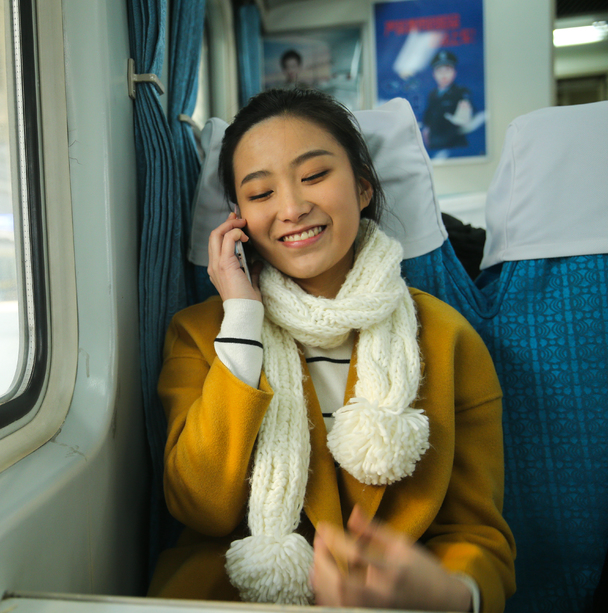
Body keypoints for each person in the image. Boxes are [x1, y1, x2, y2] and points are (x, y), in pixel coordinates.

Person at [147, 89, 515, 612]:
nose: (293, 208)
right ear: (238, 221)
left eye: (315, 176)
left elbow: (478, 537)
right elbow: (199, 508)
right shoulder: (202, 334)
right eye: (260, 193)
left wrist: (449, 593)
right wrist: (243, 320)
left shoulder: (445, 337)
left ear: (363, 187)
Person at [422, 50, 473, 150]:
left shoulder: (461, 93)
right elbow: (427, 126)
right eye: (439, 71)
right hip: (435, 146)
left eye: (447, 70)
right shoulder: (432, 95)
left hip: (456, 147)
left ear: (455, 72)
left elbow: (464, 119)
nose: (443, 75)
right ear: (433, 74)